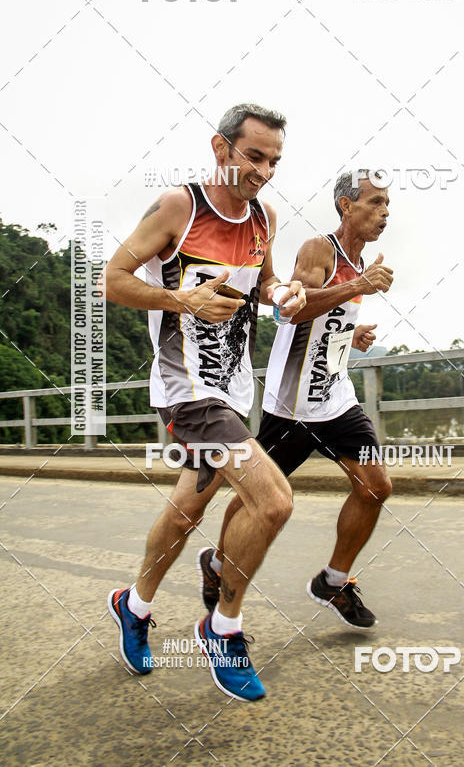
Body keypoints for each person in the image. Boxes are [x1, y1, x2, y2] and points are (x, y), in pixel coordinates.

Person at [104, 103, 306, 701]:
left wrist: (284, 293)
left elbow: (263, 285)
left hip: (234, 390)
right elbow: (112, 279)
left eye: (273, 161)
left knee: (188, 510)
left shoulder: (264, 216)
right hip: (187, 392)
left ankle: (133, 605)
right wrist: (183, 302)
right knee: (272, 501)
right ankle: (222, 628)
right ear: (221, 149)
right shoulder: (178, 208)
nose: (265, 171)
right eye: (254, 156)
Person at [197, 170, 393, 629]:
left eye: (388, 206)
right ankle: (220, 563)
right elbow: (295, 309)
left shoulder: (364, 264)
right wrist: (357, 288)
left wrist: (353, 334)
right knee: (254, 497)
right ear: (346, 206)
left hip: (336, 400)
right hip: (293, 408)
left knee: (376, 486)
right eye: (376, 203)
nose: (385, 213)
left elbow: (327, 325)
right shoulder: (318, 249)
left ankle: (333, 581)